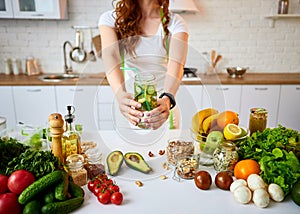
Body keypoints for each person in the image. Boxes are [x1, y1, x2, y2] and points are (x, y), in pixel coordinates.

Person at [99, 0, 188, 130]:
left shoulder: (175, 23)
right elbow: (111, 56)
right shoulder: (111, 20)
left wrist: (167, 98)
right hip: (129, 109)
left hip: (162, 111)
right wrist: (120, 95)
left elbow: (177, 65)